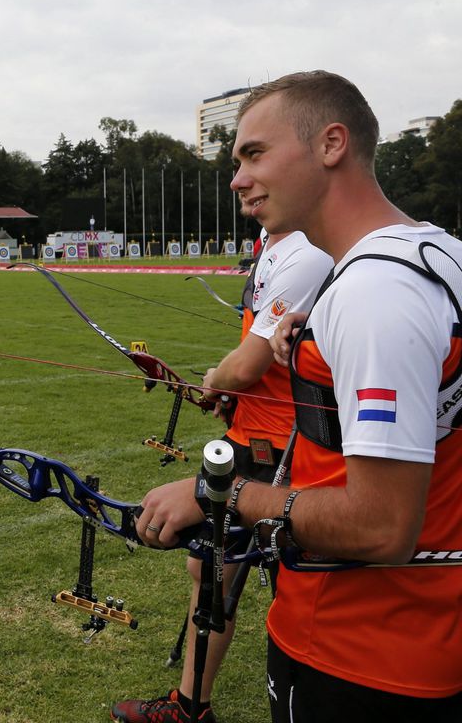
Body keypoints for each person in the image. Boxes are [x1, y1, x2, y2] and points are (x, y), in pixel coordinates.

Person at [136, 71, 462, 721]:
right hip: (423, 640)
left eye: (254, 153)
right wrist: (313, 340)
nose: (237, 178)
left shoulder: (377, 295)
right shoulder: (434, 252)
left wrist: (217, 496)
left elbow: (380, 527)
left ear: (331, 144)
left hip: (359, 651)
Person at [112, 226, 332, 722]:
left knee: (294, 584)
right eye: (237, 163)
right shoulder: (272, 243)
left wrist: (220, 380)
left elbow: (247, 365)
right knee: (211, 567)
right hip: (250, 437)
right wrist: (236, 398)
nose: (241, 181)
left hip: (286, 450)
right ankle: (191, 706)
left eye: (256, 159)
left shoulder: (307, 254)